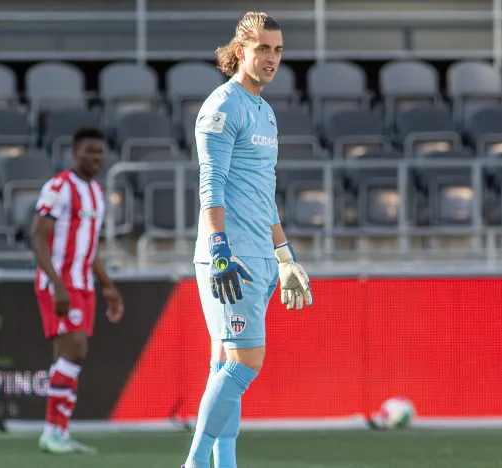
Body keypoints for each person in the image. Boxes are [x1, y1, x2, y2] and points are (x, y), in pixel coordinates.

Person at [182, 11, 314, 468]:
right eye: (262, 49)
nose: (271, 58)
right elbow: (210, 183)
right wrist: (220, 249)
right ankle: (194, 464)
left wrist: (285, 255)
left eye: (278, 50)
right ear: (241, 51)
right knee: (245, 363)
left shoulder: (266, 111)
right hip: (230, 258)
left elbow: (263, 192)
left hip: (261, 255)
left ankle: (225, 465)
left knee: (225, 365)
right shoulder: (222, 106)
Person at [31, 126, 125, 454]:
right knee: (76, 351)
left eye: (100, 152)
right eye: (90, 152)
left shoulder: (97, 192)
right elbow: (38, 236)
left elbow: (90, 246)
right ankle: (53, 433)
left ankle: (57, 431)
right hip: (60, 283)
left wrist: (109, 287)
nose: (96, 158)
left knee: (67, 357)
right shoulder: (59, 187)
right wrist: (57, 285)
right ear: (75, 153)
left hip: (84, 284)